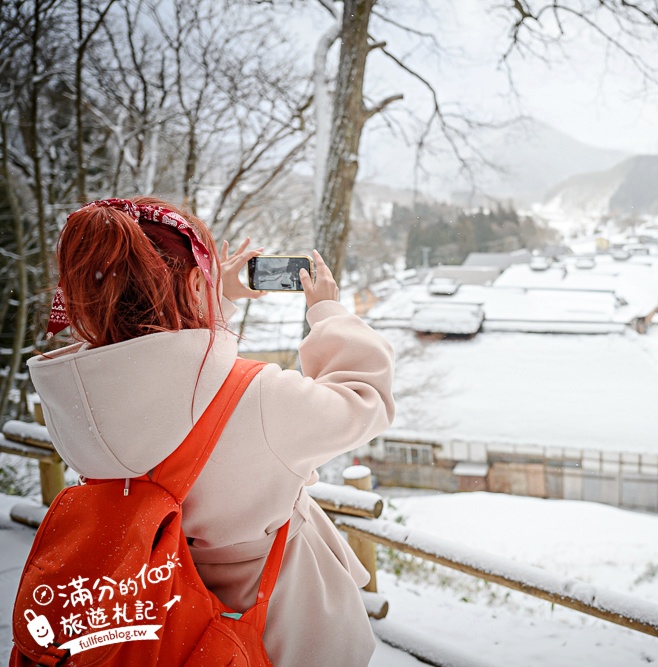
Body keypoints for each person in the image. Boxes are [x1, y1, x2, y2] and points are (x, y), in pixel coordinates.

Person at [27, 197, 394, 666]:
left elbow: (156, 370)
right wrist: (329, 316)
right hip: (266, 625)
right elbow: (364, 402)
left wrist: (209, 292)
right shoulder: (256, 398)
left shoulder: (75, 398)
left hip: (155, 615)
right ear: (194, 281)